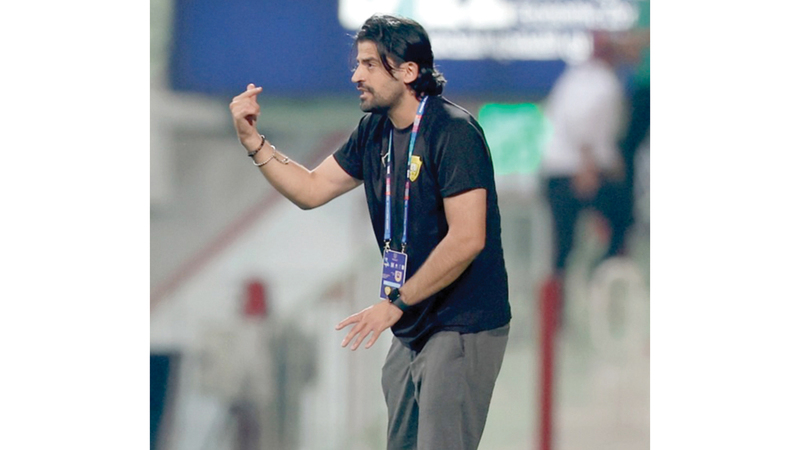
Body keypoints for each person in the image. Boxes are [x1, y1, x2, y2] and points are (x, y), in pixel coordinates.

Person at [228, 14, 511, 450]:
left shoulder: (453, 132)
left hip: (460, 324)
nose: (356, 75)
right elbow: (311, 188)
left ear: (409, 72)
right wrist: (254, 142)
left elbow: (467, 238)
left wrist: (395, 303)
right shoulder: (375, 131)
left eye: (369, 64)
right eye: (357, 63)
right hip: (412, 324)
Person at [539, 30, 633, 322]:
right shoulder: (602, 82)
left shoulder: (574, 78)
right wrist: (588, 164)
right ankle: (600, 284)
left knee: (562, 248)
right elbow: (581, 120)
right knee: (622, 220)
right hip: (577, 171)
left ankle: (557, 315)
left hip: (559, 172)